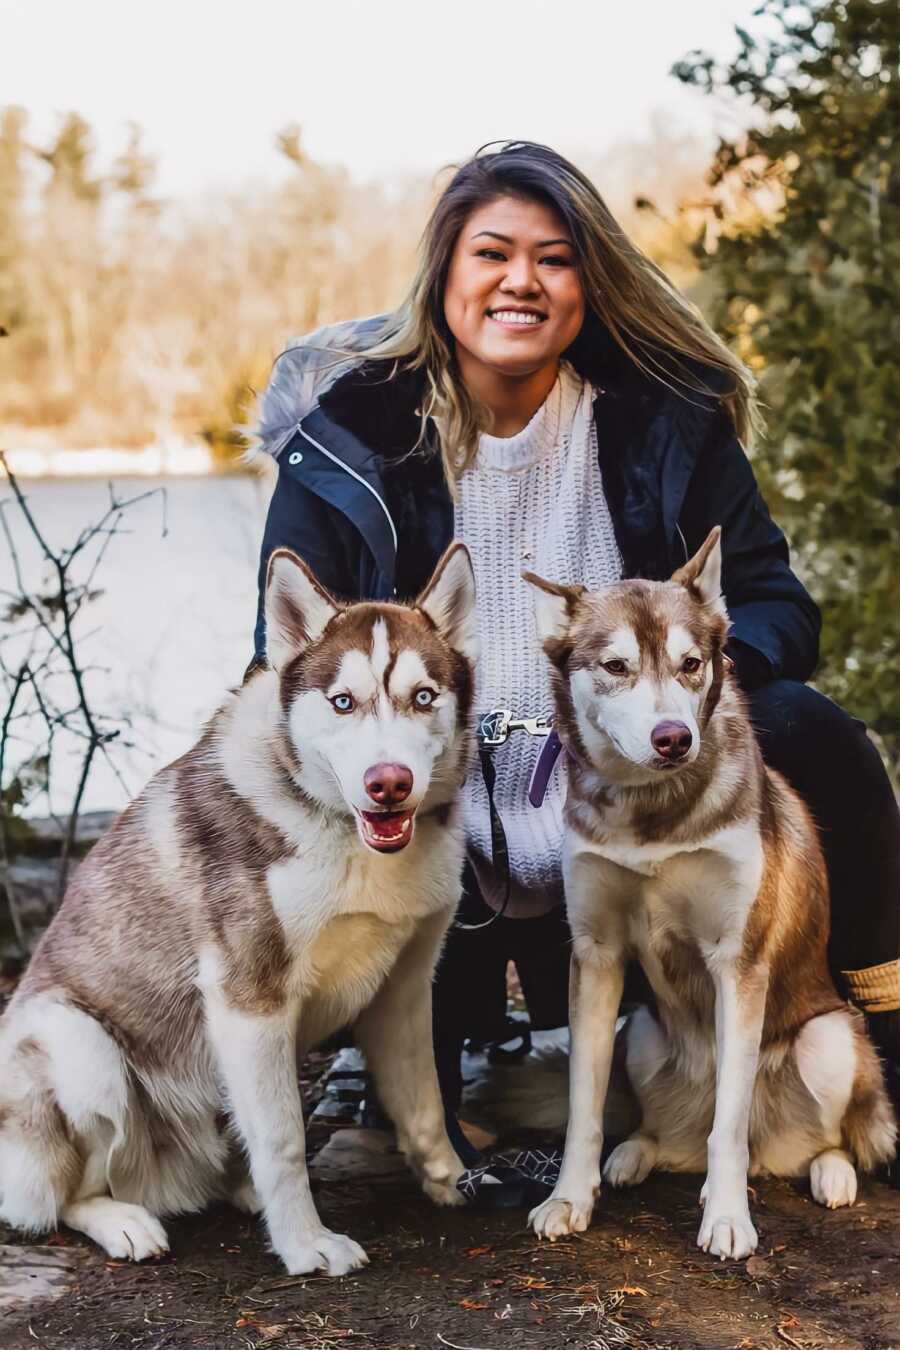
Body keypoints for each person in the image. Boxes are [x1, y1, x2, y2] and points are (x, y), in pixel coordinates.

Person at [249, 141, 900, 1177]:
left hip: (631, 825)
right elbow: (278, 673)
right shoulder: (351, 442)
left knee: (823, 740)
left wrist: (685, 696)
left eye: (554, 259)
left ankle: (878, 1038)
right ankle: (390, 1061)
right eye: (492, 252)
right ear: (444, 274)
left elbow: (775, 601)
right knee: (295, 775)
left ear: (588, 285)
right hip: (431, 823)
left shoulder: (662, 429)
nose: (521, 281)